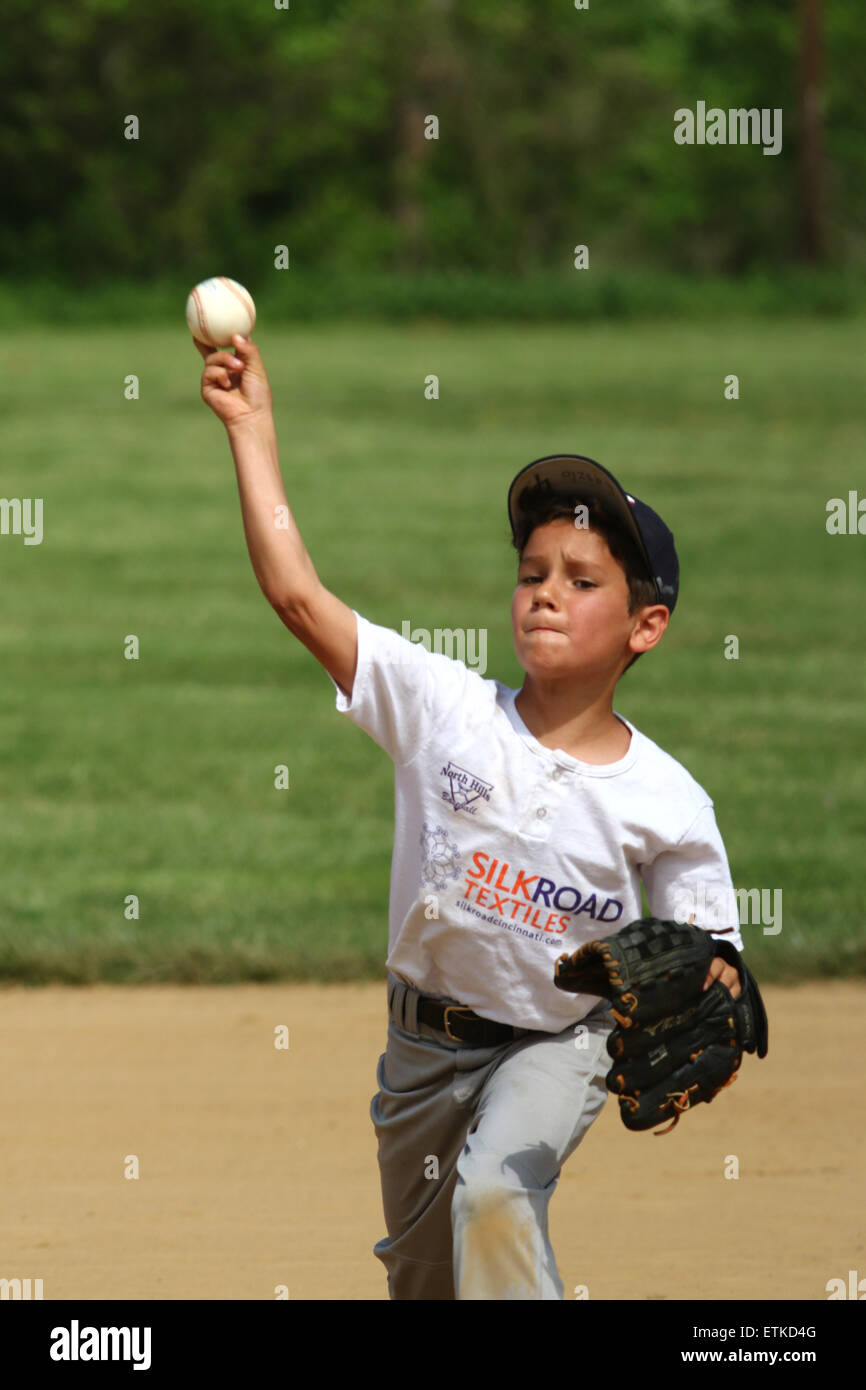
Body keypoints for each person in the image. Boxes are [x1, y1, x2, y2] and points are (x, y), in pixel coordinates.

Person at [195, 333, 744, 1301]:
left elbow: (711, 957)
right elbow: (295, 596)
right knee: (427, 1282)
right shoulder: (444, 709)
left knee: (494, 1192)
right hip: (419, 1051)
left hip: (555, 1043)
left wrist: (707, 982)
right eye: (533, 572)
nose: (544, 595)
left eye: (582, 581)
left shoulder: (665, 800)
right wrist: (251, 426)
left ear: (643, 626)